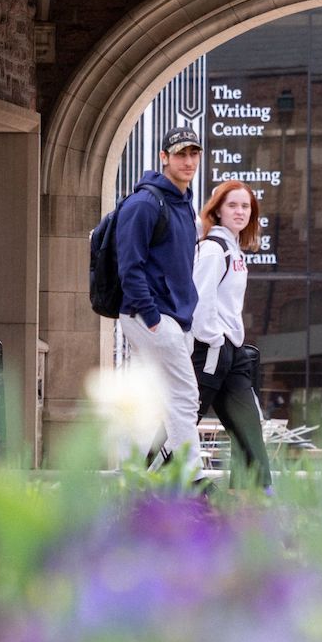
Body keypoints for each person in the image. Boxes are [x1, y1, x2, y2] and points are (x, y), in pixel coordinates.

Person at [114, 125, 203, 470]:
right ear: (164, 157)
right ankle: (190, 476)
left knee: (149, 402)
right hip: (150, 315)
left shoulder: (183, 203)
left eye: (194, 153)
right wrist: (151, 318)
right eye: (181, 153)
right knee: (185, 396)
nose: (188, 160)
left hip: (175, 317)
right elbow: (129, 266)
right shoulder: (145, 203)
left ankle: (131, 472)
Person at [190, 179, 272, 491]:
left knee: (250, 432)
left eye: (246, 206)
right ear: (218, 211)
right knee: (183, 424)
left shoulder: (233, 250)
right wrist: (214, 340)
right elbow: (199, 303)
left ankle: (253, 502)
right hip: (212, 352)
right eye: (232, 205)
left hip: (232, 355)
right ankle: (157, 486)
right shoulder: (213, 249)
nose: (240, 211)